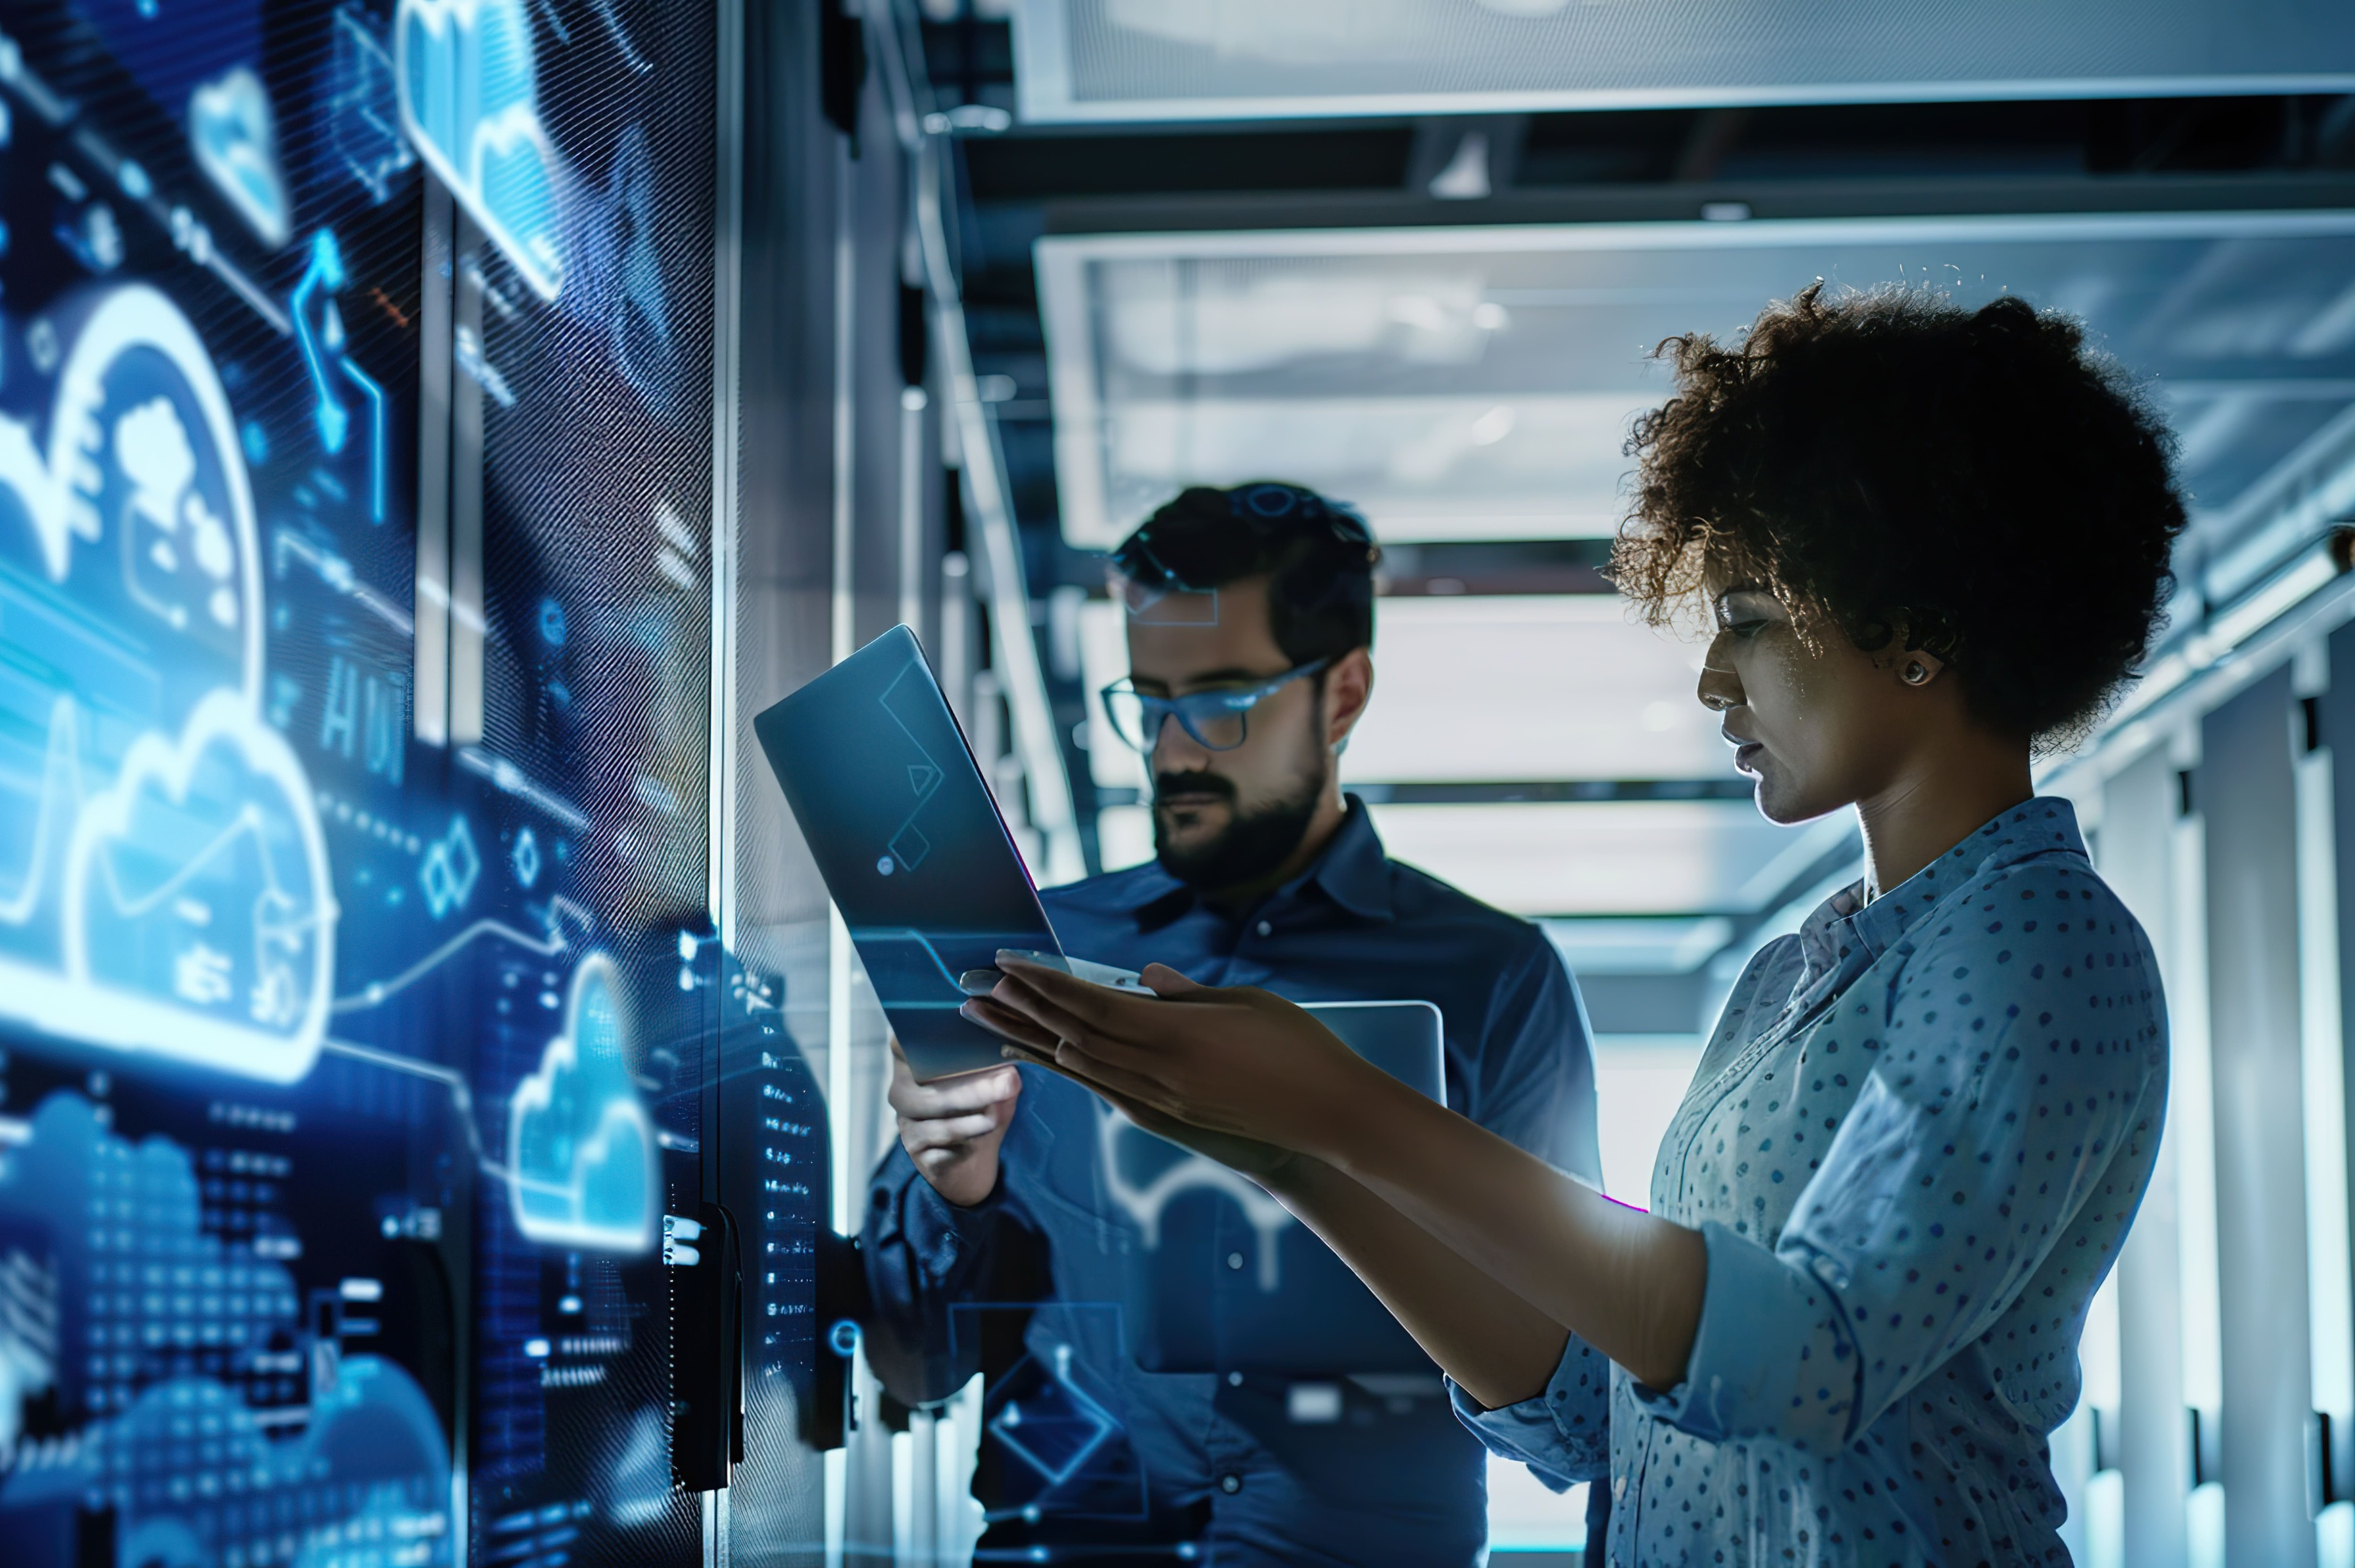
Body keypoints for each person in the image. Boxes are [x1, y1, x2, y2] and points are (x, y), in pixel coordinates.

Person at [964, 284, 2184, 1565]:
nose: (1715, 676)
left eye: (1753, 622)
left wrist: (1346, 1109)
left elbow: (1800, 1371)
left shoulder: (2039, 947)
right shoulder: (1793, 976)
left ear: (1919, 631)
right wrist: (1293, 1157)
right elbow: (1600, 1415)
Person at [861, 481, 1607, 1566]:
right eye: (1149, 703)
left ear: (1342, 694)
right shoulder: (1037, 952)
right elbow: (913, 1364)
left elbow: (1572, 1391)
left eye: (1218, 703)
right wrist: (951, 1180)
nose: (1171, 753)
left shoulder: (1495, 976)